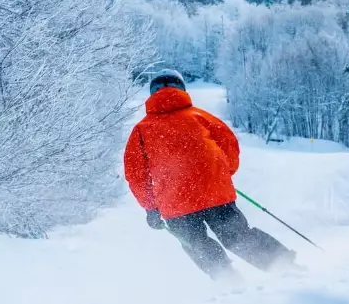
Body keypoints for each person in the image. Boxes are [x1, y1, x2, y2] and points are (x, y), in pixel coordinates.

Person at [124, 70, 297, 280]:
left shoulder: (141, 131)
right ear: (182, 90)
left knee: (197, 245)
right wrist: (222, 174)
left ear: (152, 94)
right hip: (215, 193)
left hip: (175, 205)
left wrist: (151, 208)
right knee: (237, 237)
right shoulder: (201, 117)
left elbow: (136, 175)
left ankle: (229, 281)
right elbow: (230, 146)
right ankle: (284, 266)